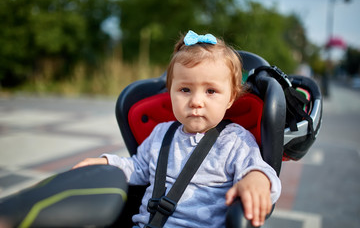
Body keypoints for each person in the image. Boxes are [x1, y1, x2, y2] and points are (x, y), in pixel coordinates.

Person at [73, 30, 281, 227]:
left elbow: (259, 169)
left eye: (210, 91)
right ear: (170, 92)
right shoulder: (161, 134)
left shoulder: (235, 141)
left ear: (231, 98)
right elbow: (137, 167)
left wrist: (257, 180)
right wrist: (106, 163)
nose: (196, 101)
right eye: (185, 89)